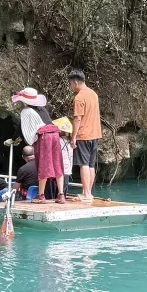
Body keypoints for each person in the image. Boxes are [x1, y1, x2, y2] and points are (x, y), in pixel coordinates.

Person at [68, 70, 101, 202]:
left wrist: (73, 136)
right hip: (95, 134)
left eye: (71, 83)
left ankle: (86, 194)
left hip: (83, 134)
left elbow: (77, 119)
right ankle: (88, 193)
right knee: (91, 165)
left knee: (83, 164)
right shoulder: (93, 94)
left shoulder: (79, 98)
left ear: (76, 82)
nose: (71, 86)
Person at [35, 120, 66, 204]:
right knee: (57, 163)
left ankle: (41, 195)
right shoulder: (44, 111)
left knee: (44, 164)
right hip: (55, 133)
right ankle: (61, 195)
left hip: (44, 135)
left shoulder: (28, 111)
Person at [54, 117, 75, 196]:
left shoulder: (58, 140)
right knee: (65, 185)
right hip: (68, 166)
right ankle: (63, 197)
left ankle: (59, 197)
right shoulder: (71, 141)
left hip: (60, 165)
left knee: (59, 186)